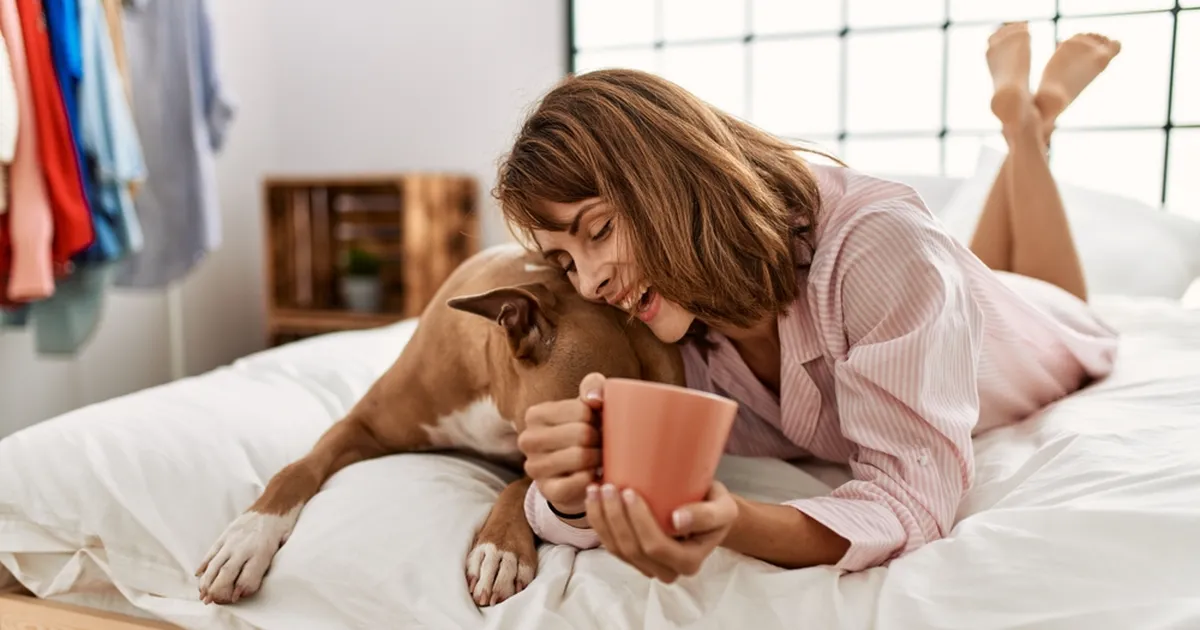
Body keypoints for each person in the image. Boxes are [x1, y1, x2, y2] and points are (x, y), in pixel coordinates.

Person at [498, 22, 1123, 581]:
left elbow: (910, 500)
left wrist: (736, 520)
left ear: (671, 178)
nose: (588, 284)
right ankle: (1026, 122)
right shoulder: (673, 334)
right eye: (565, 261)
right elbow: (601, 496)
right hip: (945, 290)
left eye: (599, 230)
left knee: (1053, 296)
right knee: (978, 266)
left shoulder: (880, 247)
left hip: (1024, 332)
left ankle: (1026, 127)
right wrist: (570, 489)